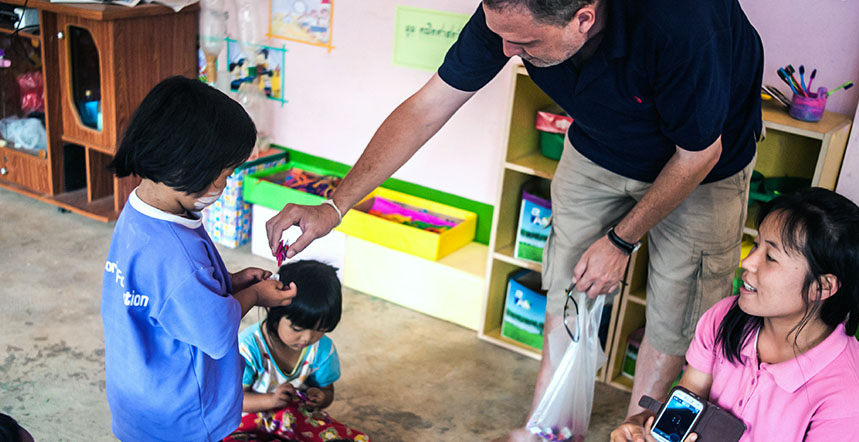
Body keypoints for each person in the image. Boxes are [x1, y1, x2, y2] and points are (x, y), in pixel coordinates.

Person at [265, 0, 763, 438]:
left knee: (675, 318)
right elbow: (426, 108)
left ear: (583, 18)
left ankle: (637, 433)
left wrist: (621, 240)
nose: (503, 51)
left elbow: (698, 155)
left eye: (523, 43)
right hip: (598, 148)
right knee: (567, 289)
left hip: (702, 169)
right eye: (499, 35)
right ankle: (548, 428)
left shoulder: (681, 23)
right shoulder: (509, 15)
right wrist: (334, 205)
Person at [101, 76, 296, 441]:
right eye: (225, 175)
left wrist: (231, 282)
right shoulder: (178, 257)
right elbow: (214, 331)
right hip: (183, 416)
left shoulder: (141, 213)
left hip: (141, 397)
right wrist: (254, 296)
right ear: (186, 166)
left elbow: (167, 298)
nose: (225, 185)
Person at [611, 187, 859, 442]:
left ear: (822, 287)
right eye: (756, 245)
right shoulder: (725, 316)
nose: (747, 262)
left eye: (770, 257)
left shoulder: (849, 398)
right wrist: (644, 424)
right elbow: (688, 399)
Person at [223, 260, 369, 442]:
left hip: (295, 417)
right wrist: (271, 400)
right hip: (250, 420)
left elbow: (327, 391)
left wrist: (321, 397)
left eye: (320, 329)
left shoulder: (322, 350)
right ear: (273, 307)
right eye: (297, 328)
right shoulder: (249, 347)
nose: (307, 338)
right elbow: (234, 400)